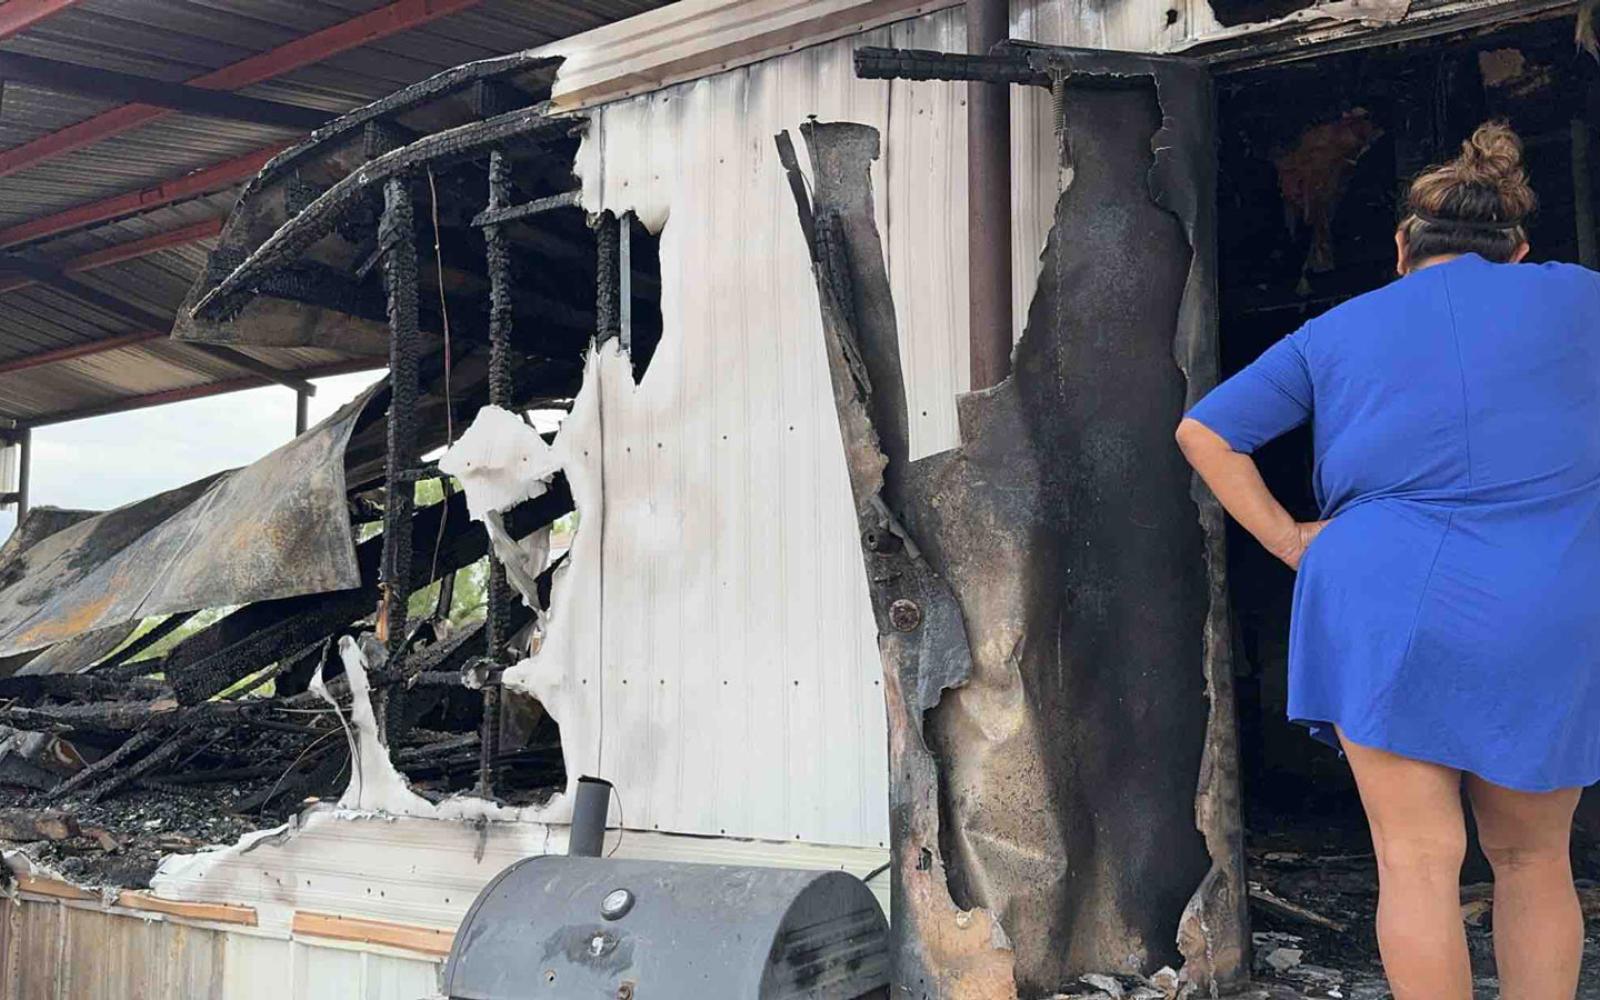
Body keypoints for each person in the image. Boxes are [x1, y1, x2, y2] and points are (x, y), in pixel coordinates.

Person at [1177, 121, 1600, 1000]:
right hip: (1549, 594)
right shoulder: (1582, 299)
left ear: (1403, 246)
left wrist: (1292, 540)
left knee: (1414, 862)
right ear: (1518, 249)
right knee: (1533, 858)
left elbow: (1207, 430)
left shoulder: (1338, 329)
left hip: (1382, 591)